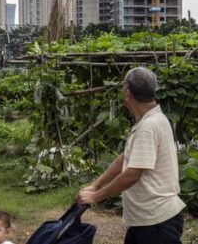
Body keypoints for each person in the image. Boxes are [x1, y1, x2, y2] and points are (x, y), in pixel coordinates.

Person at [77, 67, 185, 244]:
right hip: (148, 220)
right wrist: (95, 185)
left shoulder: (148, 127)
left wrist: (96, 197)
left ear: (127, 93)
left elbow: (132, 174)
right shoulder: (153, 119)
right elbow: (125, 157)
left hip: (156, 223)